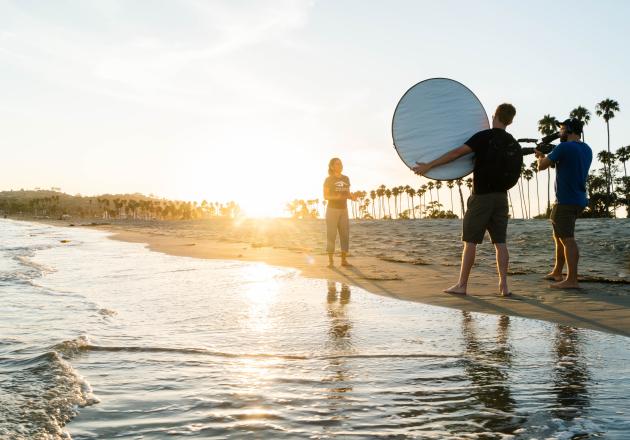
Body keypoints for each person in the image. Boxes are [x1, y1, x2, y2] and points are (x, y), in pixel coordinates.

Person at [413, 103, 517, 297]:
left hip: (482, 197)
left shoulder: (484, 137)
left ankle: (462, 285)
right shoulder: (512, 142)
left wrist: (430, 165)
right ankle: (504, 286)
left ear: (494, 115)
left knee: (470, 241)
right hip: (502, 197)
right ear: (510, 120)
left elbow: (456, 153)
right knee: (500, 242)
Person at [536, 118, 592, 289]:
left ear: (568, 130)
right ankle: (557, 271)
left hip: (565, 201)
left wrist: (540, 156)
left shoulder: (564, 147)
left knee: (568, 239)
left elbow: (542, 166)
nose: (559, 132)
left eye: (561, 129)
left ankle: (572, 280)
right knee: (559, 236)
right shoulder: (586, 149)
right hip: (578, 199)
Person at [323, 158, 355, 267]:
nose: (340, 165)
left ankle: (343, 260)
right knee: (331, 234)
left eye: (341, 163)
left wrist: (353, 197)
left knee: (344, 234)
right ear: (332, 166)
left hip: (344, 209)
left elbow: (348, 194)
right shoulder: (328, 179)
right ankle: (331, 261)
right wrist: (336, 197)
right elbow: (326, 196)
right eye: (337, 164)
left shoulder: (346, 178)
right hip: (332, 210)